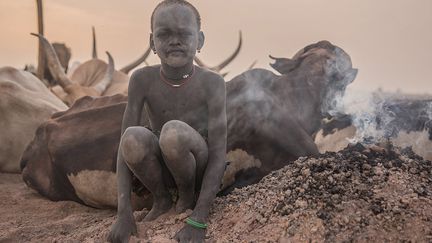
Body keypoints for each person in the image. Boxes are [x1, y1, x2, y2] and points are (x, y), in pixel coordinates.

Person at [108, 0, 227, 242]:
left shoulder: (212, 83)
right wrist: (124, 213)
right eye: (164, 35)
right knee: (131, 137)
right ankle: (161, 199)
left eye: (184, 34)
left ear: (200, 41)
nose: (175, 41)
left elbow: (218, 154)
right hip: (162, 167)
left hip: (196, 165)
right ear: (152, 43)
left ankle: (186, 199)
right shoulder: (141, 79)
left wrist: (199, 218)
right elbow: (123, 152)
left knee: (173, 133)